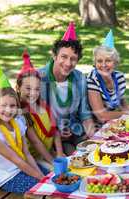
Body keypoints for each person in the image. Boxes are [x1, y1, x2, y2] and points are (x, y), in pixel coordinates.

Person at [0, 67, 48, 193]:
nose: (8, 110)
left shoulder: (18, 122)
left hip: (23, 166)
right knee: (41, 189)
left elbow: (26, 153)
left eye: (12, 106)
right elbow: (17, 160)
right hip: (6, 177)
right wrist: (41, 179)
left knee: (52, 177)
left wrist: (42, 176)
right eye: (3, 105)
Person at [38, 22, 95, 156]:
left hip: (75, 131)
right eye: (64, 57)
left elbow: (84, 114)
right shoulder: (39, 79)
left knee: (95, 152)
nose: (68, 63)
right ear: (54, 56)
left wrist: (94, 138)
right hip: (49, 136)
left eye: (73, 59)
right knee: (75, 159)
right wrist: (56, 133)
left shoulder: (79, 78)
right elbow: (35, 117)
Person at [16, 50, 64, 169]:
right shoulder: (20, 112)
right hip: (33, 159)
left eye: (37, 89)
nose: (33, 93)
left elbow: (55, 129)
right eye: (28, 88)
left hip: (49, 153)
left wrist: (59, 152)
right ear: (18, 88)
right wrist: (53, 162)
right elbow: (36, 142)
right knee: (56, 174)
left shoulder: (43, 105)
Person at [87, 30, 129, 124]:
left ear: (115, 62)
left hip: (113, 123)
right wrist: (128, 113)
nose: (103, 65)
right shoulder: (92, 80)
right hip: (94, 126)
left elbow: (122, 106)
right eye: (99, 61)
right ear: (95, 63)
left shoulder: (119, 77)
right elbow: (102, 116)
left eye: (108, 60)